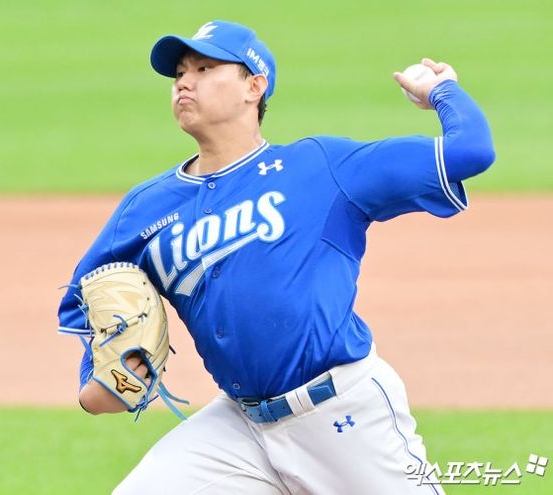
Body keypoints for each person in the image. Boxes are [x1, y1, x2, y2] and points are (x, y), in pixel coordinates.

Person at [58, 19, 495, 494]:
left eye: (204, 68)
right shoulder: (147, 207)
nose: (184, 82)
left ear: (255, 86)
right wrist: (99, 381)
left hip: (343, 415)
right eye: (179, 73)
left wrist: (441, 92)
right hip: (240, 429)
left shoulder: (321, 167)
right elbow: (89, 292)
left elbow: (471, 151)